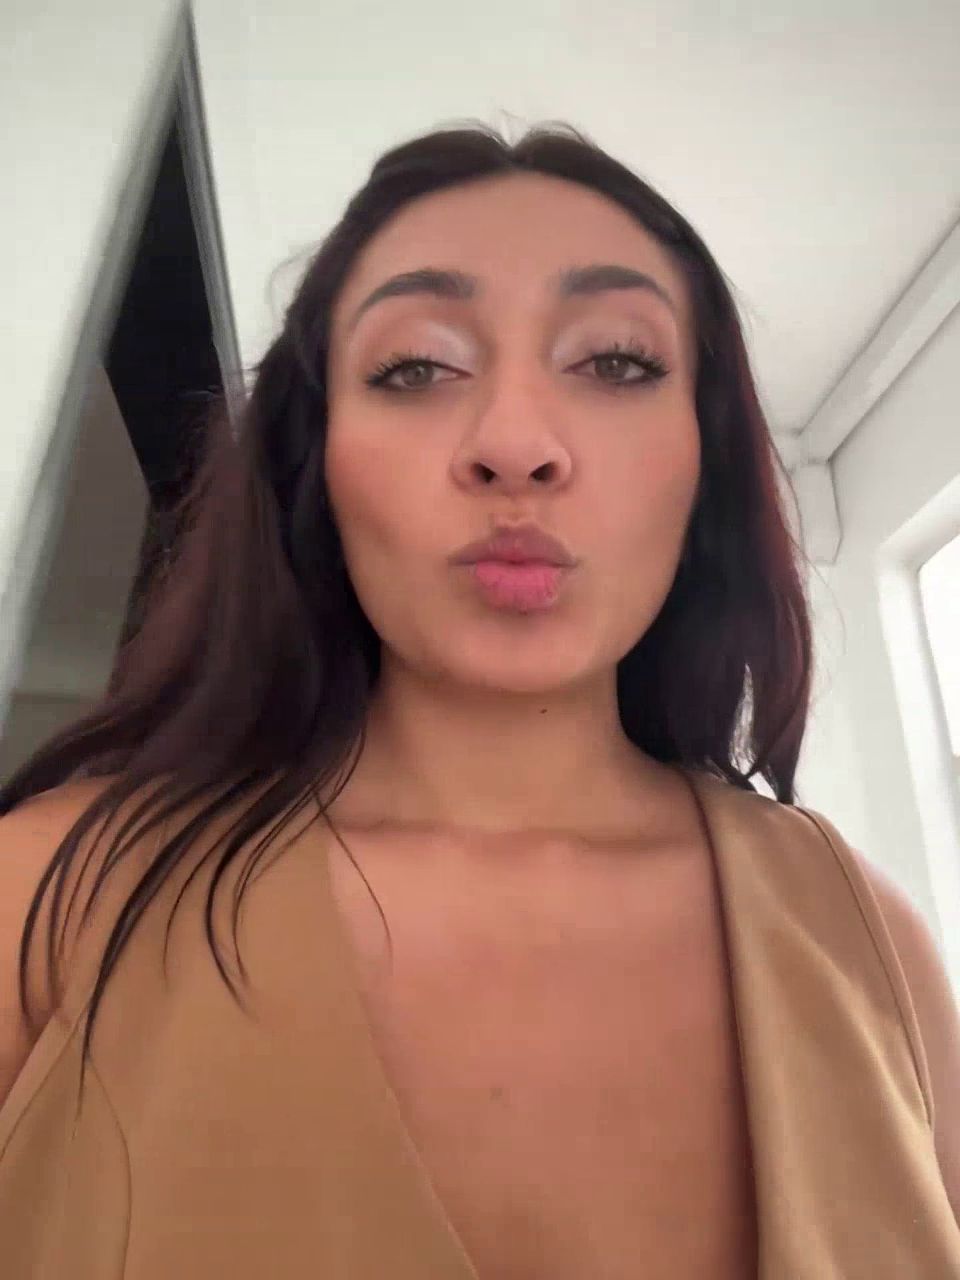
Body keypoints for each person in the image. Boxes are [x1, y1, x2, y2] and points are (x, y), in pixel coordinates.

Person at [0, 121, 958, 1279]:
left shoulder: (871, 943)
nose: (515, 445)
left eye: (617, 362)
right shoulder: (45, 898)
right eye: (416, 367)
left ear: (702, 462)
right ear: (317, 465)